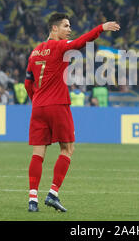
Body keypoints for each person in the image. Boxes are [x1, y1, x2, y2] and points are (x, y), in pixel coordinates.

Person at [24, 13, 120, 212]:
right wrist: (101, 28)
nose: (69, 29)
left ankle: (32, 199)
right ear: (54, 29)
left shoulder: (34, 52)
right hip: (58, 105)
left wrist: (37, 101)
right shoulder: (59, 46)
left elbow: (28, 82)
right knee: (67, 149)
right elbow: (80, 42)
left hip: (38, 107)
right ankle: (53, 193)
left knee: (38, 152)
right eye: (66, 26)